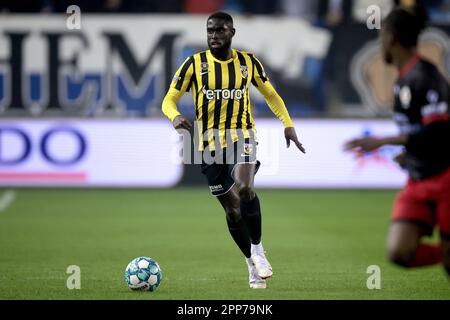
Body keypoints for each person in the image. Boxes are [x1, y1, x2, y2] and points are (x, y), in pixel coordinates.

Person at [162, 11, 305, 288]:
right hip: (207, 145)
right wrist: (174, 115)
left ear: (232, 32)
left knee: (245, 188)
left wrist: (287, 123)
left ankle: (259, 249)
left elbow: (271, 94)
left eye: (220, 30)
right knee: (233, 211)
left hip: (243, 136)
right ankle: (251, 263)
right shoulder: (194, 64)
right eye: (210, 31)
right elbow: (169, 98)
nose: (214, 36)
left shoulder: (248, 63)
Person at [344, 6, 450, 276]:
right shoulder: (404, 80)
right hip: (418, 177)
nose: (381, 44)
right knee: (400, 252)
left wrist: (382, 141)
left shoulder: (426, 77)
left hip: (445, 178)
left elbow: (438, 131)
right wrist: (409, 152)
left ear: (390, 37)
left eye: (381, 37)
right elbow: (421, 132)